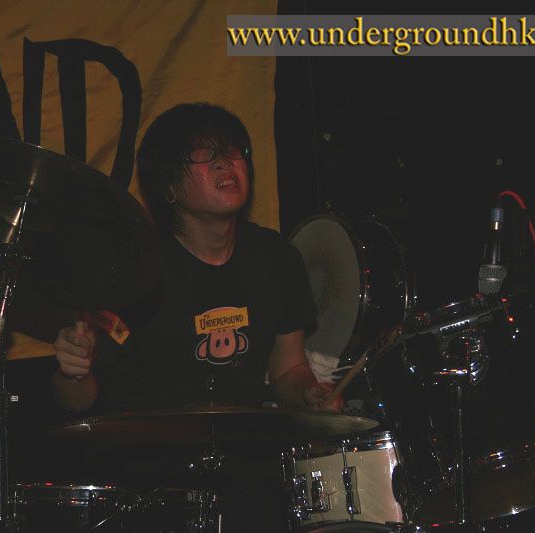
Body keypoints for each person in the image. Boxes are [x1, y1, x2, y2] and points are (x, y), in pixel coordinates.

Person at [50, 102, 339, 532]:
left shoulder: (276, 257)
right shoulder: (134, 268)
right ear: (168, 187)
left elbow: (288, 370)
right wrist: (72, 371)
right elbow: (80, 401)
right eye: (205, 155)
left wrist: (309, 393)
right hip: (146, 473)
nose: (227, 163)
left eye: (234, 151)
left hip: (241, 459)